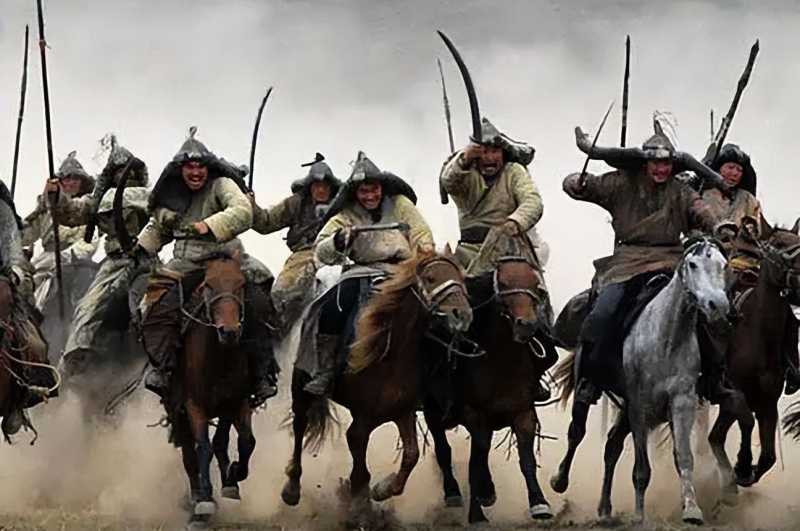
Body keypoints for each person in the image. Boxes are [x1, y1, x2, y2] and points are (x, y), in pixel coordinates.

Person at [561, 118, 735, 404]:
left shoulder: (681, 190)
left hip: (670, 262)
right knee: (603, 313)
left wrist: (718, 225)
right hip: (626, 264)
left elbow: (699, 209)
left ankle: (714, 379)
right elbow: (585, 186)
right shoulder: (621, 183)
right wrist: (575, 183)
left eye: (666, 164)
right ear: (645, 163)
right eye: (656, 163)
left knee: (708, 313)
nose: (661, 169)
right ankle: (591, 378)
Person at [135, 127, 277, 407]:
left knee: (259, 301)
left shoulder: (222, 185)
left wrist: (208, 225)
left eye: (200, 166)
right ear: (181, 169)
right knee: (152, 306)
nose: (196, 172)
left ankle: (262, 373)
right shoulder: (171, 192)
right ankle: (163, 368)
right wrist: (143, 247)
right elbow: (159, 226)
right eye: (190, 167)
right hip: (185, 263)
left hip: (225, 258)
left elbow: (242, 211)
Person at [299, 151, 433, 396]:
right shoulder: (345, 214)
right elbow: (321, 249)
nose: (370, 196)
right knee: (332, 307)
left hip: (403, 271)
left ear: (382, 188)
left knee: (435, 307)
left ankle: (438, 374)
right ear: (355, 193)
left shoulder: (401, 204)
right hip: (362, 271)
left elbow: (421, 231)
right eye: (364, 191)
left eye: (374, 190)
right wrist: (339, 240)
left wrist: (424, 252)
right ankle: (325, 370)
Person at [439, 117, 555, 400]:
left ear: (503, 153)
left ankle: (536, 369)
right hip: (470, 256)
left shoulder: (515, 172)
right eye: (484, 151)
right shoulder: (464, 173)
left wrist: (514, 222)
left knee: (535, 307)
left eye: (495, 151)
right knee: (451, 313)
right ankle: (445, 377)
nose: (490, 157)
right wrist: (465, 157)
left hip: (510, 252)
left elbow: (533, 202)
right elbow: (447, 180)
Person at [47, 137, 152, 376]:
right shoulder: (99, 199)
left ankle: (164, 363)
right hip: (114, 264)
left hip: (148, 262)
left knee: (160, 307)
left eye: (129, 170)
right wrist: (56, 197)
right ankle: (73, 361)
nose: (124, 174)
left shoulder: (152, 196)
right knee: (87, 308)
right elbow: (71, 213)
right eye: (119, 170)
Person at [251, 153, 341, 331]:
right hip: (303, 254)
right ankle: (280, 333)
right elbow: (266, 222)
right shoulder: (296, 203)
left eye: (325, 186)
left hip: (337, 254)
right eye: (317, 186)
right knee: (282, 293)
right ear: (310, 187)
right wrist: (251, 206)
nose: (321, 190)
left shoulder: (342, 205)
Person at [22, 152, 99, 311]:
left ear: (83, 182)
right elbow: (28, 233)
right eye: (66, 178)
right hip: (45, 262)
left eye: (75, 179)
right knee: (23, 290)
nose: (71, 183)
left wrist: (65, 258)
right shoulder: (46, 207)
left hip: (78, 262)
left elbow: (91, 243)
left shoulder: (89, 208)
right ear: (60, 182)